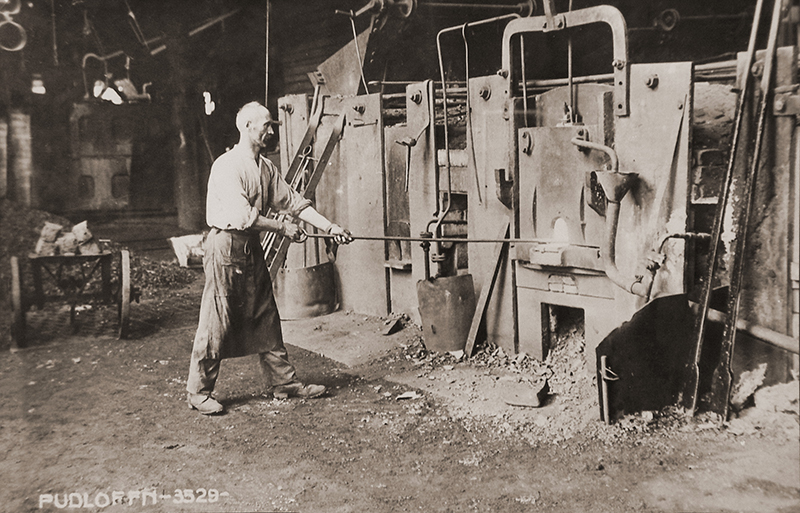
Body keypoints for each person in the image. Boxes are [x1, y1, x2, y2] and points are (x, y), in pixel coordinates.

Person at [186, 101, 353, 415]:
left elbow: (294, 204)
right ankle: (198, 391)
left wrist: (331, 227)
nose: (271, 130)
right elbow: (242, 216)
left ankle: (284, 382)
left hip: (250, 248)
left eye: (272, 125)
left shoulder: (265, 168)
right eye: (266, 125)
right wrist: (282, 227)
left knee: (266, 314)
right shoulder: (227, 165)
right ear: (247, 127)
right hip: (226, 246)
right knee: (217, 319)